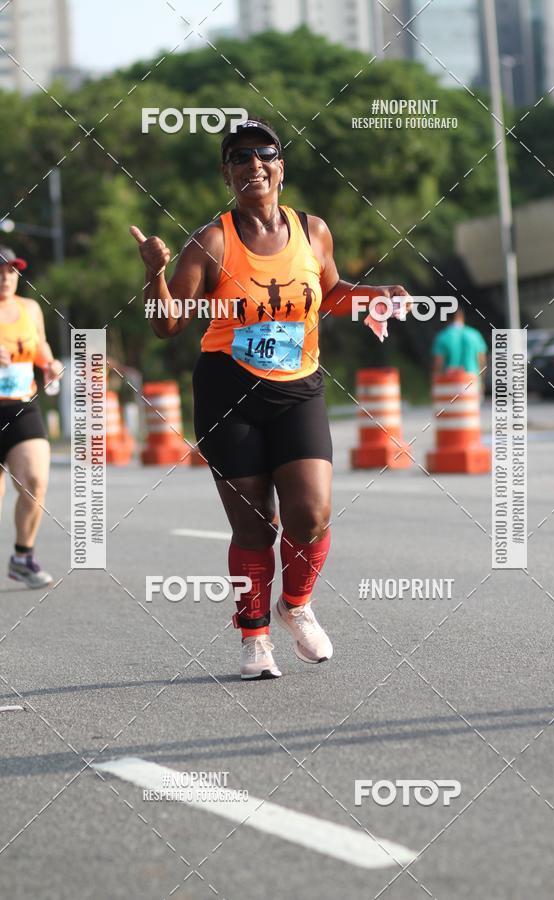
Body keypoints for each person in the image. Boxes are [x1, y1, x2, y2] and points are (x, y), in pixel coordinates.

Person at [131, 117, 410, 679]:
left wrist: (373, 296)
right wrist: (156, 276)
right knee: (256, 527)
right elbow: (168, 325)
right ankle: (254, 637)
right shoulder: (212, 241)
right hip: (228, 390)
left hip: (297, 388)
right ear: (226, 172)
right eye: (239, 157)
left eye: (264, 153)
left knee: (310, 512)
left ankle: (296, 604)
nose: (253, 164)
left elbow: (328, 293)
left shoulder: (314, 231)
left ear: (281, 165)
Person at [0, 246, 63, 587]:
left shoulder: (30, 308)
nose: (5, 278)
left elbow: (40, 347)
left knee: (35, 480)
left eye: (11, 271)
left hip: (22, 406)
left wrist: (50, 365)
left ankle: (23, 557)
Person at [432, 305, 487, 389]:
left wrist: (435, 385)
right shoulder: (475, 335)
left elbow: (438, 364)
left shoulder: (442, 337)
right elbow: (482, 361)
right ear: (461, 316)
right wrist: (481, 382)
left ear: (446, 318)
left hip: (449, 382)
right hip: (471, 381)